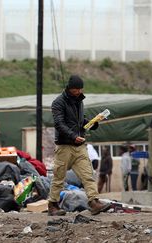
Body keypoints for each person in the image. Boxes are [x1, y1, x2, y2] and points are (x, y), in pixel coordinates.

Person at [48, 75, 110, 216]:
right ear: (69, 88)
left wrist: (93, 123)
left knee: (88, 175)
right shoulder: (58, 102)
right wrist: (73, 136)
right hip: (64, 146)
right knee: (59, 177)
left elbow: (80, 120)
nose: (79, 92)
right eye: (76, 89)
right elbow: (59, 123)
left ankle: (94, 202)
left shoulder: (79, 101)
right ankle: (52, 205)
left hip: (80, 146)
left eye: (80, 89)